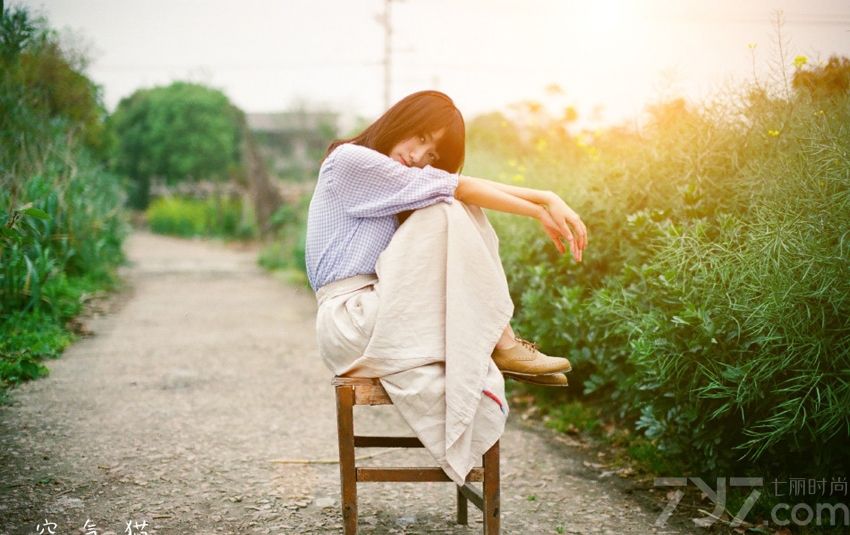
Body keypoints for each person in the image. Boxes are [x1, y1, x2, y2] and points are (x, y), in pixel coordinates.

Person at [306, 89, 587, 387]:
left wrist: (544, 200)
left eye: (432, 155)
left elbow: (458, 184)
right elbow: (458, 187)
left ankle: (500, 344)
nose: (417, 157)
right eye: (421, 137)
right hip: (350, 320)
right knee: (446, 208)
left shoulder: (396, 185)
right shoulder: (349, 159)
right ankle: (504, 343)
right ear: (402, 119)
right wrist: (540, 206)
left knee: (451, 205)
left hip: (380, 311)